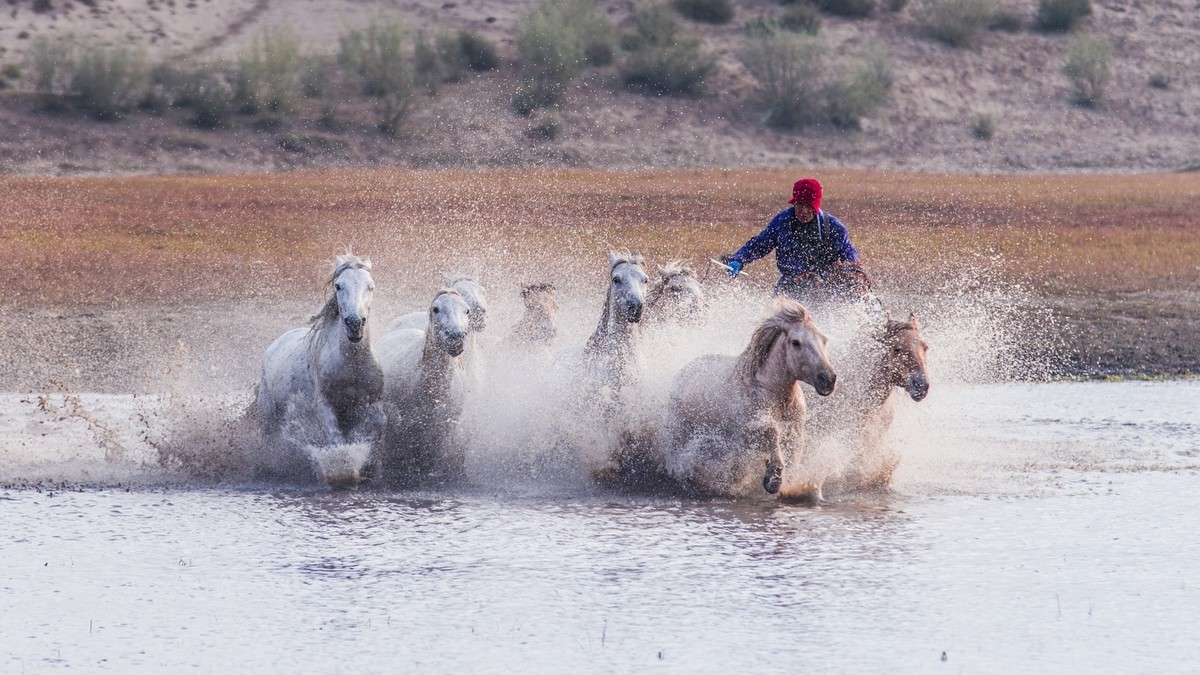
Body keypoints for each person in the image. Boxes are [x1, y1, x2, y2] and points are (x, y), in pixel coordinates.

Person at [722, 178, 869, 300]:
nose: (803, 211)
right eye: (800, 205)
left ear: (816, 206)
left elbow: (850, 261)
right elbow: (760, 244)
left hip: (828, 287)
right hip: (791, 285)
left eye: (808, 206)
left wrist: (855, 279)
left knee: (857, 288)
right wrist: (739, 259)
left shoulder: (834, 228)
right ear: (794, 203)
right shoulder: (782, 221)